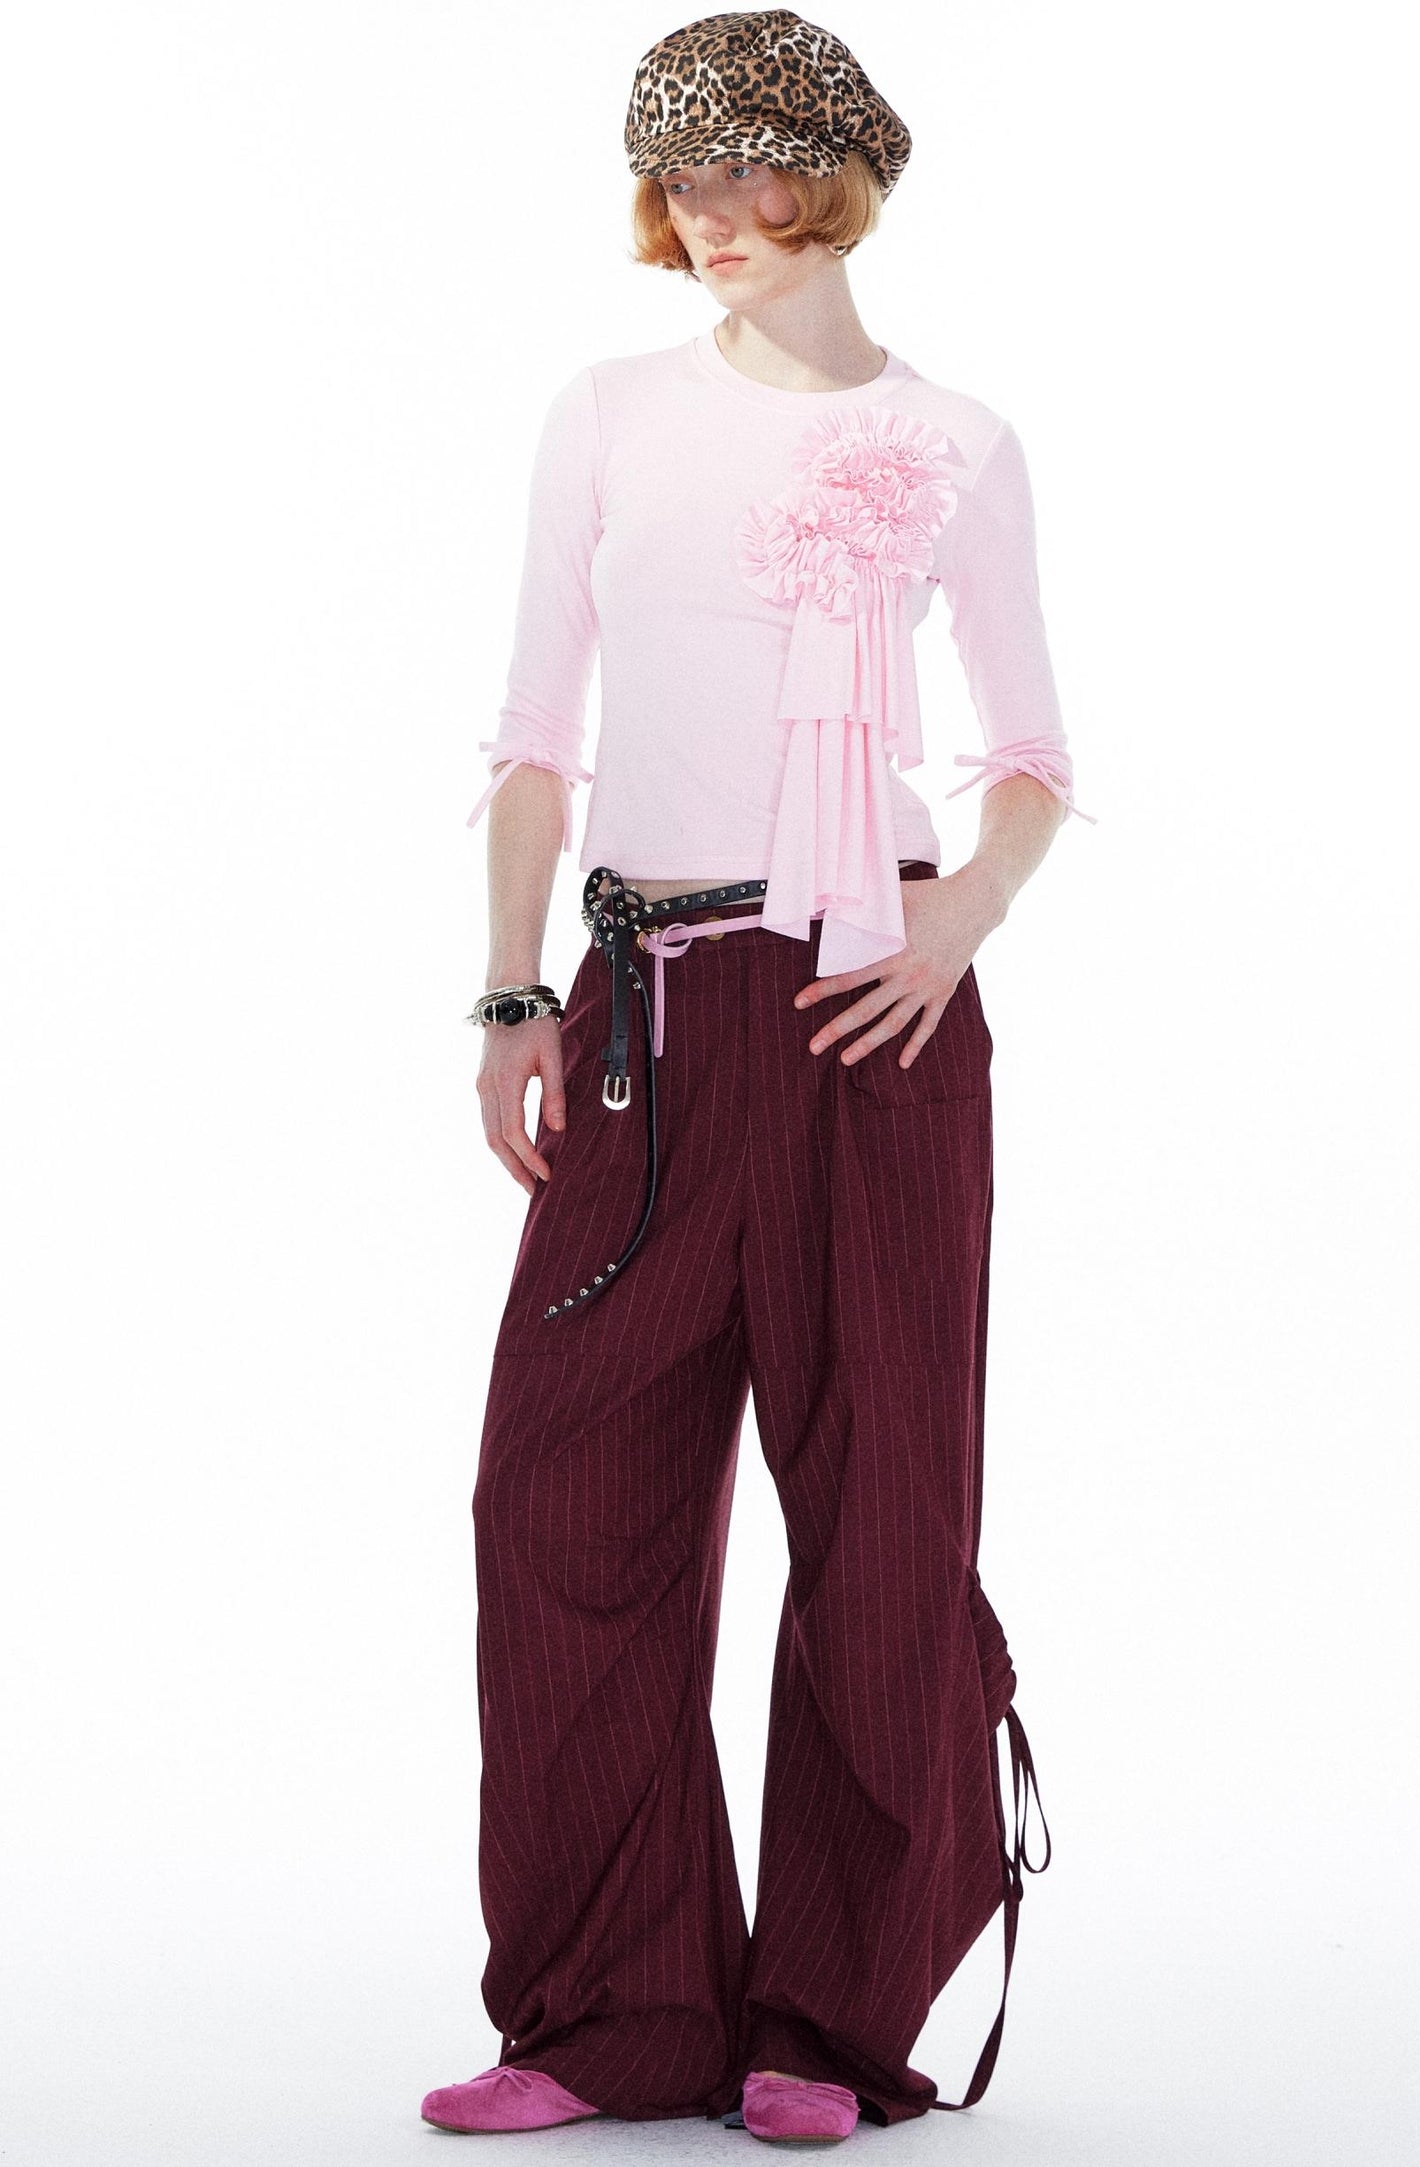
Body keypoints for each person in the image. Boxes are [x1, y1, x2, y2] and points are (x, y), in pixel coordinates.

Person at [424, 7, 1086, 2143]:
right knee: (561, 1505)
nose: (715, 213)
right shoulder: (609, 414)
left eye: (756, 169)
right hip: (641, 1012)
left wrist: (958, 925)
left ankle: (826, 2020)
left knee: (882, 1516)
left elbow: (1028, 755)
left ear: (843, 174)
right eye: (683, 177)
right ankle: (609, 2014)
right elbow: (537, 731)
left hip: (870, 1013)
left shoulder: (958, 442)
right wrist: (510, 996)